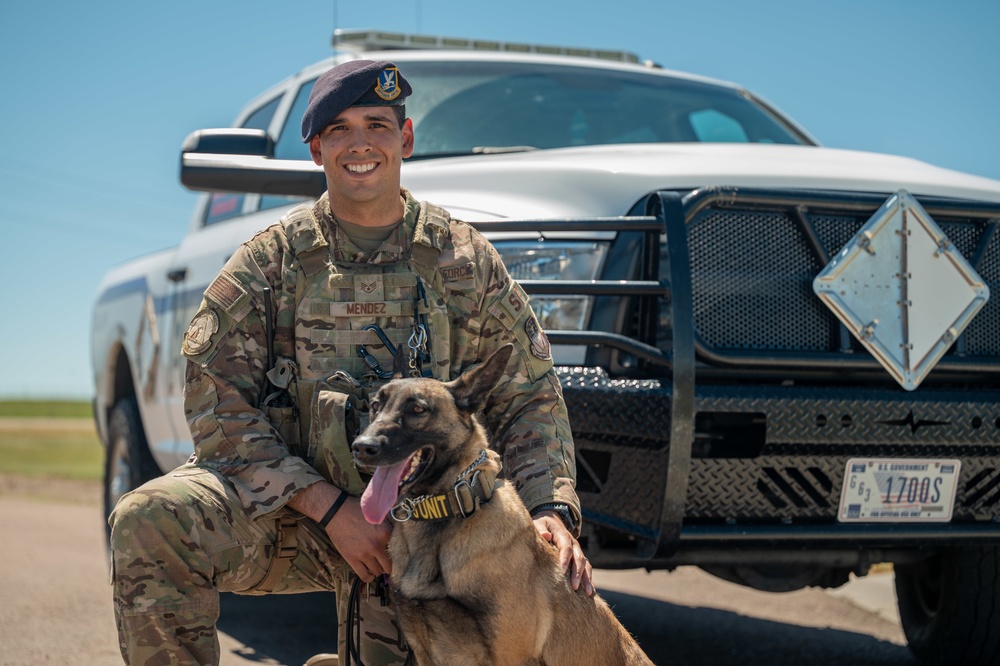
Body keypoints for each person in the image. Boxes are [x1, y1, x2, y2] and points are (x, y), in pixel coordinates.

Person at [109, 59, 592, 666]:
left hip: (425, 533)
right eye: (338, 129)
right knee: (150, 520)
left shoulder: (462, 260)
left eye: (376, 125)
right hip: (290, 518)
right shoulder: (271, 263)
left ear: (405, 139)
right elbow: (217, 407)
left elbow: (529, 394)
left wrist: (550, 508)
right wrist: (327, 507)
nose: (359, 144)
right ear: (315, 150)